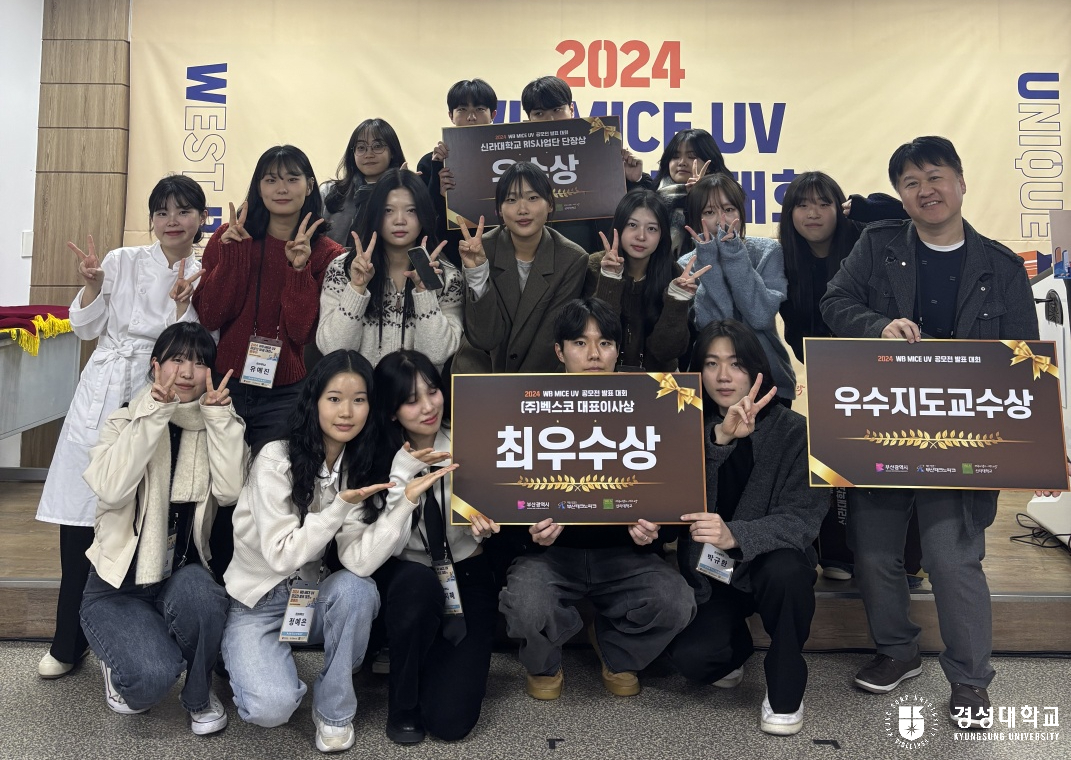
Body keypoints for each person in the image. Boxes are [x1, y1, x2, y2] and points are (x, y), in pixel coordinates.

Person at [820, 135, 1040, 727]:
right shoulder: (878, 244)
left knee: (951, 558)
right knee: (873, 553)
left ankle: (969, 680)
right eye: (911, 182)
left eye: (936, 177)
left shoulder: (1000, 265)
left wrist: (1036, 446)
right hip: (883, 422)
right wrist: (877, 326)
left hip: (963, 433)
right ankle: (897, 650)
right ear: (900, 194)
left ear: (961, 182)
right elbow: (834, 303)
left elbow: (1024, 359)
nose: (926, 190)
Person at [35, 175, 206, 680]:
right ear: (151, 219)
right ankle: (68, 642)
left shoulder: (208, 270)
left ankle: (129, 637)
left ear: (202, 218)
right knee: (80, 515)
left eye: (184, 211)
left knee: (137, 516)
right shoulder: (121, 260)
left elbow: (201, 346)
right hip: (103, 388)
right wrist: (92, 286)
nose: (172, 221)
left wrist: (184, 308)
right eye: (162, 211)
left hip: (157, 393)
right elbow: (85, 328)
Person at [498, 297, 696, 700]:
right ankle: (544, 662)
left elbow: (674, 496)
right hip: (550, 557)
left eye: (605, 343)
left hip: (625, 556)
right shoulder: (523, 403)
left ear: (617, 351)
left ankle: (615, 650)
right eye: (580, 343)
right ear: (559, 352)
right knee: (527, 604)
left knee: (676, 602)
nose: (593, 354)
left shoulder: (653, 401)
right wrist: (527, 532)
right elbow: (502, 497)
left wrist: (656, 531)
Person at [221, 350, 393, 753]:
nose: (346, 412)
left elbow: (358, 562)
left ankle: (334, 710)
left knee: (358, 590)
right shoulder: (275, 458)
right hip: (258, 603)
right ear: (314, 400)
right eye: (334, 398)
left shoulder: (357, 465)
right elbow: (281, 555)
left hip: (308, 599)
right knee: (271, 708)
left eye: (359, 399)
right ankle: (240, 655)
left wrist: (405, 503)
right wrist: (339, 507)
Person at [79, 322, 246, 735]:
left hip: (180, 575)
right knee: (148, 683)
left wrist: (219, 418)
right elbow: (112, 488)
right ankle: (125, 655)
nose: (187, 372)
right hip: (117, 588)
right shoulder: (125, 420)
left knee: (205, 597)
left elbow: (230, 491)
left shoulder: (216, 424)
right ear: (156, 366)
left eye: (199, 362)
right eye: (177, 359)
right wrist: (155, 412)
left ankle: (199, 694)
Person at [667, 319, 826, 736]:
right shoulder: (684, 425)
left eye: (735, 364)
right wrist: (719, 440)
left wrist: (736, 535)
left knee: (788, 570)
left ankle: (786, 682)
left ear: (757, 369)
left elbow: (803, 519)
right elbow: (675, 504)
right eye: (711, 363)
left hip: (771, 566)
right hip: (713, 574)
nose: (723, 376)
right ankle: (735, 644)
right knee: (693, 661)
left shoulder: (795, 431)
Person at [370, 349, 498, 744]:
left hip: (467, 571)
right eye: (411, 400)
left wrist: (489, 522)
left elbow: (504, 505)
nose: (428, 407)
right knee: (417, 586)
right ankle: (402, 701)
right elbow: (374, 542)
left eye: (433, 391)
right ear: (392, 410)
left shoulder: (472, 440)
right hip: (406, 575)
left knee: (450, 722)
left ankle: (432, 664)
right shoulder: (376, 457)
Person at [193, 144, 344, 450]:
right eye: (271, 180)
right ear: (258, 187)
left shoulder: (327, 253)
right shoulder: (230, 236)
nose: (281, 189)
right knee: (222, 474)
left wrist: (299, 269)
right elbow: (210, 316)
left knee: (272, 474)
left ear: (309, 186)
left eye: (292, 179)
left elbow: (302, 332)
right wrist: (233, 257)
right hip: (224, 383)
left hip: (286, 392)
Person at [315, 169, 463, 370]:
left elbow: (437, 355)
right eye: (388, 211)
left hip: (416, 391)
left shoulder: (448, 278)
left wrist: (424, 293)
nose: (400, 220)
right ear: (375, 214)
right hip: (361, 390)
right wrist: (356, 289)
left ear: (424, 215)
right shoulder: (342, 269)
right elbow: (333, 349)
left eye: (411, 210)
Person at [452, 161, 588, 374]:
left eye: (533, 198)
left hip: (538, 376)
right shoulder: (479, 249)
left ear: (550, 204)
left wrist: (519, 387)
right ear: (499, 209)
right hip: (480, 370)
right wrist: (478, 273)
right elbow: (485, 338)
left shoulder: (572, 259)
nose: (522, 209)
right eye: (511, 200)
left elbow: (549, 338)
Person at [680, 173, 796, 404]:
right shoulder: (686, 264)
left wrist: (733, 256)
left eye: (729, 209)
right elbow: (713, 327)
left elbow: (760, 316)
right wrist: (709, 261)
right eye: (709, 212)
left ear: (741, 213)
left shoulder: (767, 251)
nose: (720, 220)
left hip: (769, 380)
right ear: (696, 219)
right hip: (714, 385)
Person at [585, 189, 706, 370]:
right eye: (632, 225)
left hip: (658, 381)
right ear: (619, 226)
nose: (641, 236)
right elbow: (596, 336)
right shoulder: (594, 267)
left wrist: (677, 301)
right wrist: (610, 278)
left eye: (651, 229)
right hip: (603, 375)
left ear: (662, 235)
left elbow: (667, 352)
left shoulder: (674, 274)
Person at [418, 79, 498, 269]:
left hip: (498, 253)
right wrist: (439, 192)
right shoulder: (430, 163)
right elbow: (425, 222)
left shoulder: (507, 158)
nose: (471, 117)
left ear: (493, 114)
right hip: (449, 257)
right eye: (462, 109)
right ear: (451, 115)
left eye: (480, 109)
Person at [321, 118, 406, 246]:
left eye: (377, 146)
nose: (369, 154)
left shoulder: (406, 193)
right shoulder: (329, 191)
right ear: (353, 153)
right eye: (361, 147)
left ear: (393, 152)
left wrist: (403, 190)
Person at [654, 128, 730, 255]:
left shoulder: (726, 198)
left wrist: (699, 197)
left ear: (710, 164)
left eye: (692, 156)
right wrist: (633, 181)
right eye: (675, 156)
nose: (682, 162)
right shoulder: (652, 194)